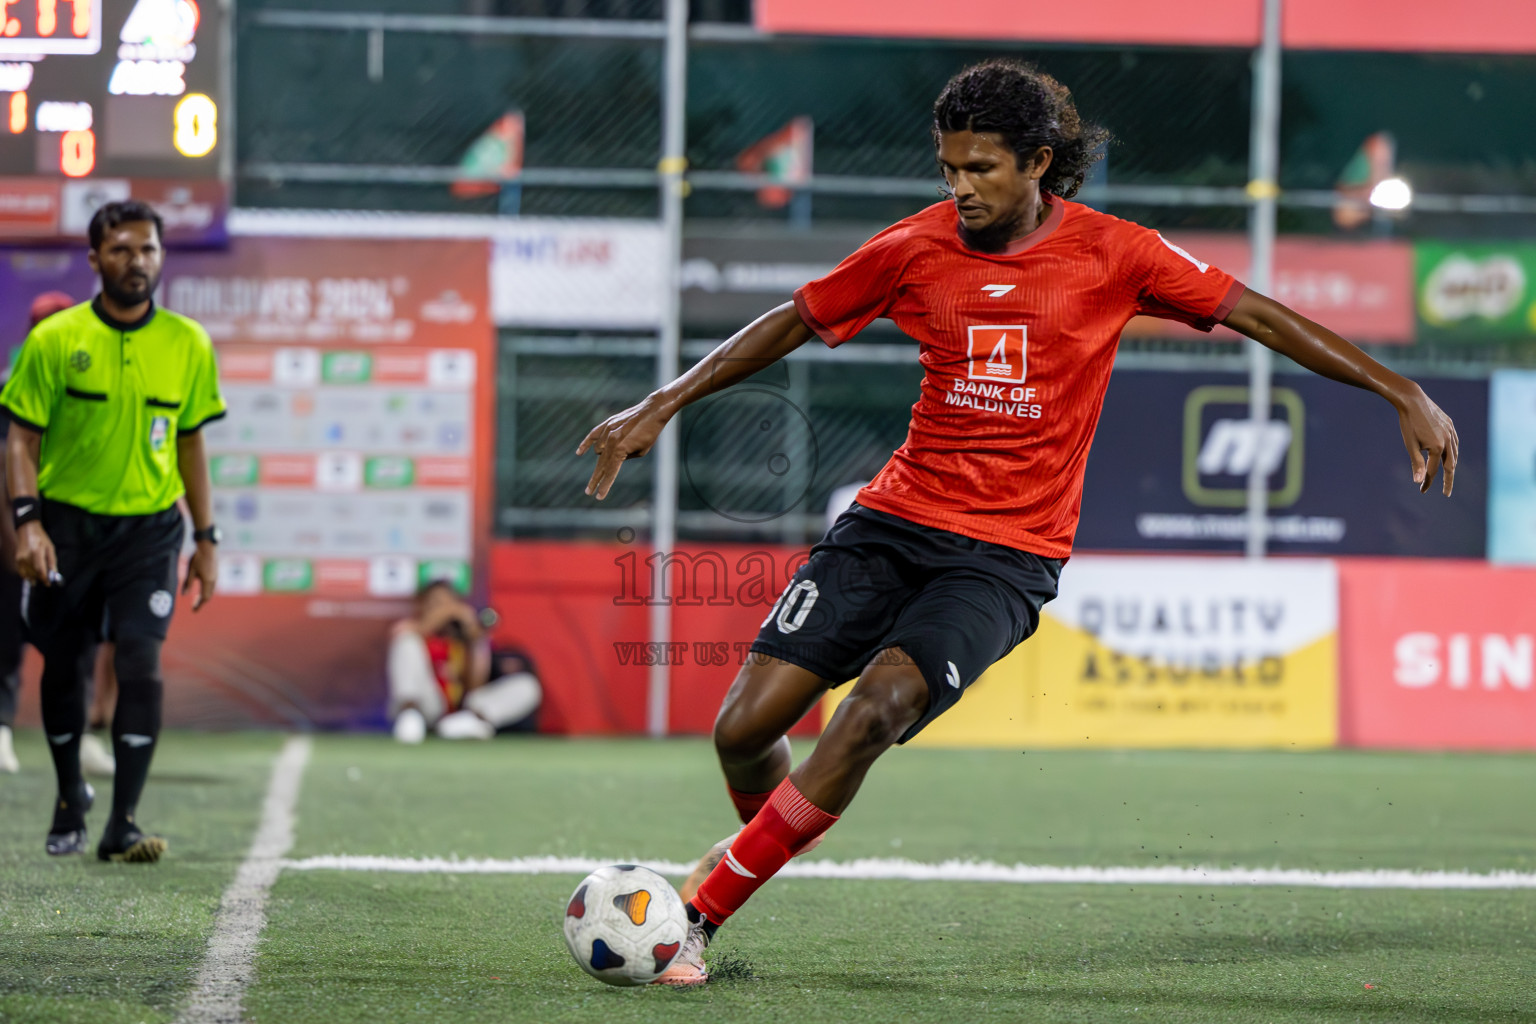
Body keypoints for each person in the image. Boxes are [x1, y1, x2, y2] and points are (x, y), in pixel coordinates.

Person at [577, 60, 1458, 986]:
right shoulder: (914, 248)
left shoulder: (1118, 253)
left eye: (981, 170)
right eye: (949, 167)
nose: (959, 187)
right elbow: (793, 319)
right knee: (742, 729)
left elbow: (1260, 317)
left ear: (1039, 162)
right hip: (890, 522)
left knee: (878, 708)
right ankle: (760, 838)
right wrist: (662, 403)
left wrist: (1397, 388)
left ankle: (706, 916)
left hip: (1005, 558)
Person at [0, 199, 225, 862]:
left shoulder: (188, 343)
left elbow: (191, 447)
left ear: (162, 256)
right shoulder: (55, 340)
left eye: (149, 249)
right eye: (122, 250)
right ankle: (71, 795)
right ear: (95, 258)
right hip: (65, 529)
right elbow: (20, 441)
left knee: (139, 660)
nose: (137, 262)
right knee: (64, 667)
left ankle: (123, 819)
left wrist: (207, 539)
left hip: (149, 533)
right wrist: (28, 523)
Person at [0, 292, 118, 778]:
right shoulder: (10, 393)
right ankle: (2, 730)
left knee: (81, 638)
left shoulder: (97, 394)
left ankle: (84, 735)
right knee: (6, 632)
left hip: (75, 536)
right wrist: (15, 538)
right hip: (16, 532)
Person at [388, 581, 542, 743]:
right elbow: (402, 636)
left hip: (462, 709)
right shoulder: (412, 630)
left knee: (527, 686)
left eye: (448, 604)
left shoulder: (463, 637)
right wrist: (440, 617)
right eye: (436, 603)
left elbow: (475, 684)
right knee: (406, 642)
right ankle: (410, 715)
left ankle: (471, 723)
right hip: (429, 705)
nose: (444, 610)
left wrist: (475, 638)